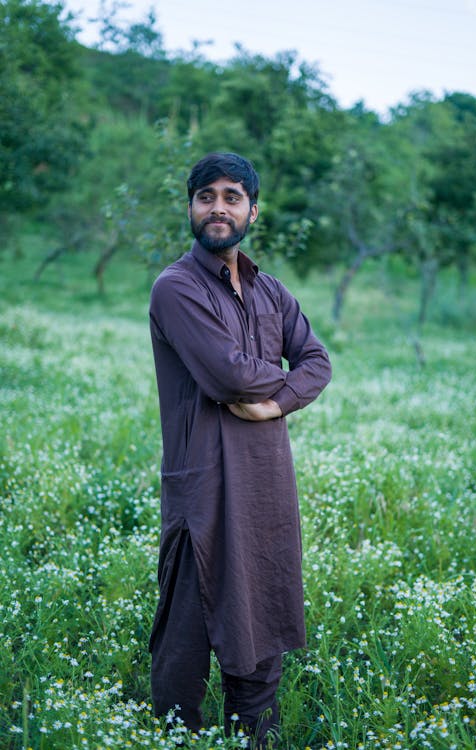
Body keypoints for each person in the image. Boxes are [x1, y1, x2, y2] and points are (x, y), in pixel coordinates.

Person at [148, 152, 331, 747]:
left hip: (265, 486)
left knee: (261, 623)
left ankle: (256, 738)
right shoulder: (176, 287)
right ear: (191, 206)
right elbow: (228, 376)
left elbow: (318, 360)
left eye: (232, 196)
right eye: (206, 196)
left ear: (254, 209)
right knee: (185, 640)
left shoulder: (270, 291)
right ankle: (177, 738)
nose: (218, 208)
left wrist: (274, 405)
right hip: (201, 488)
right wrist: (277, 386)